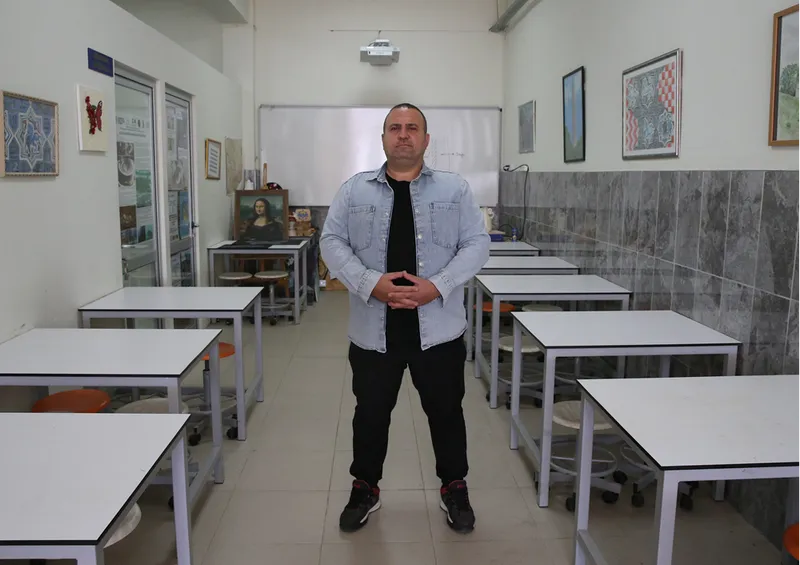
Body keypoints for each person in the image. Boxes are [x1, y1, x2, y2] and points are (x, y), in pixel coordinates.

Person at [320, 103, 490, 534]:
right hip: (373, 333)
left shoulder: (454, 189)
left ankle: (454, 487)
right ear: (382, 139)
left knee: (446, 413)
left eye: (412, 128)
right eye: (394, 127)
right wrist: (369, 283)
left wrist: (437, 285)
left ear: (426, 139)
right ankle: (365, 487)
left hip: (439, 330)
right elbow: (331, 240)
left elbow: (477, 243)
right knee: (370, 415)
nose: (403, 135)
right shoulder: (354, 190)